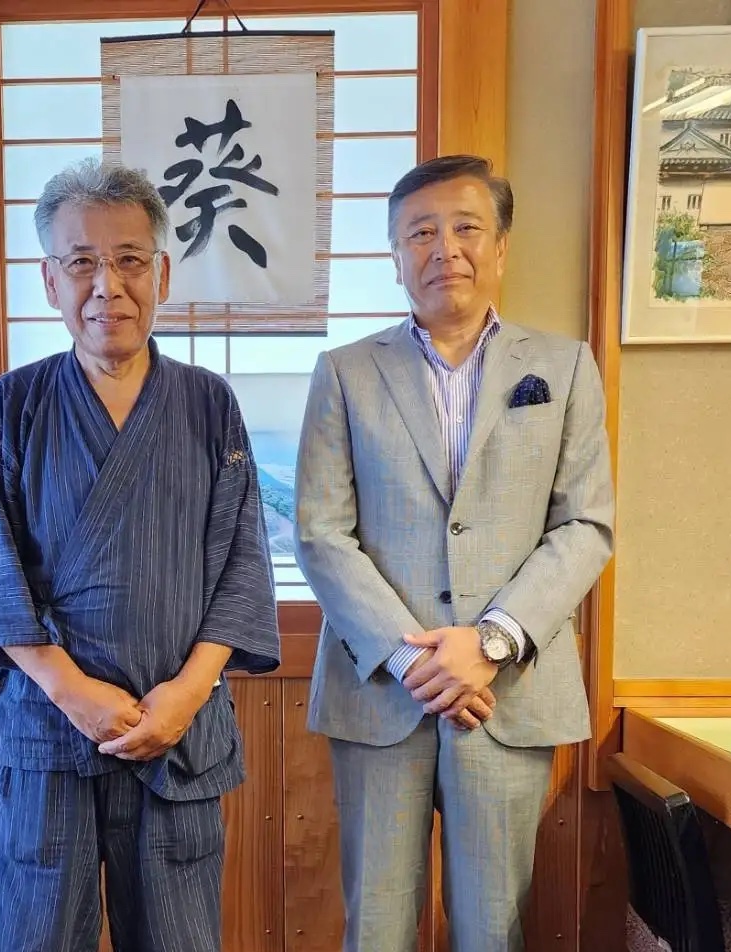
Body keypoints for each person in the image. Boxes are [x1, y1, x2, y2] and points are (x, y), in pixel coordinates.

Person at [0, 157, 280, 952]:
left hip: (176, 727)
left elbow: (239, 565)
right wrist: (70, 690)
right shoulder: (14, 403)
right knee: (39, 936)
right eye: (81, 261)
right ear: (50, 281)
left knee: (180, 939)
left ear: (161, 274)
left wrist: (186, 692)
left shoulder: (207, 404)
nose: (106, 286)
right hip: (48, 730)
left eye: (127, 260)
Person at [294, 154, 614, 952]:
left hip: (506, 692)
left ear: (499, 246)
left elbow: (585, 526)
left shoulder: (563, 367)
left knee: (492, 928)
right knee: (376, 925)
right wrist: (416, 661)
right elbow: (321, 532)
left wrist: (489, 641)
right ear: (394, 255)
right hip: (381, 692)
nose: (445, 249)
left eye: (466, 227)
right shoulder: (344, 373)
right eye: (420, 233)